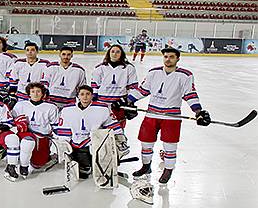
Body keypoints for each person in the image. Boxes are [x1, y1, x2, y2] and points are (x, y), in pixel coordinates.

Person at [113, 47, 211, 184]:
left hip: (171, 117)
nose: (168, 59)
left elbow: (190, 95)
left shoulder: (185, 75)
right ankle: (146, 167)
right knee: (146, 144)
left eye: (171, 57)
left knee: (170, 146)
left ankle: (168, 170)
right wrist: (127, 100)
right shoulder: (154, 73)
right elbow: (143, 90)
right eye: (166, 56)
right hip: (151, 114)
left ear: (177, 59)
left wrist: (198, 112)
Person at [54, 85, 125, 179]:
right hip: (76, 143)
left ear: (92, 96)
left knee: (102, 158)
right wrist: (65, 145)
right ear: (78, 96)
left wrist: (120, 139)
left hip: (94, 142)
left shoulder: (102, 108)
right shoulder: (67, 110)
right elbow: (64, 129)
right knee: (83, 170)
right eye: (82, 94)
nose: (85, 97)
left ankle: (105, 165)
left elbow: (112, 125)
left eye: (88, 94)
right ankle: (85, 164)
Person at [11, 83, 59, 178]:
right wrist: (18, 124)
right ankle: (20, 164)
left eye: (38, 91)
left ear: (43, 94)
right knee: (26, 142)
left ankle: (41, 157)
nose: (35, 94)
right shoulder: (20, 105)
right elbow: (12, 121)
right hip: (25, 134)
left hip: (41, 136)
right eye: (33, 92)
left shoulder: (51, 107)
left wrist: (57, 139)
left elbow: (55, 125)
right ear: (29, 93)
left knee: (38, 163)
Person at [91, 44, 138, 128]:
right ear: (109, 53)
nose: (115, 54)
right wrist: (94, 102)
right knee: (100, 131)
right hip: (102, 104)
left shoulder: (129, 68)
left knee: (118, 130)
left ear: (121, 54)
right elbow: (95, 86)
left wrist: (128, 101)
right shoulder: (100, 68)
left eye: (117, 52)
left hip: (119, 104)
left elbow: (133, 87)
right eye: (112, 51)